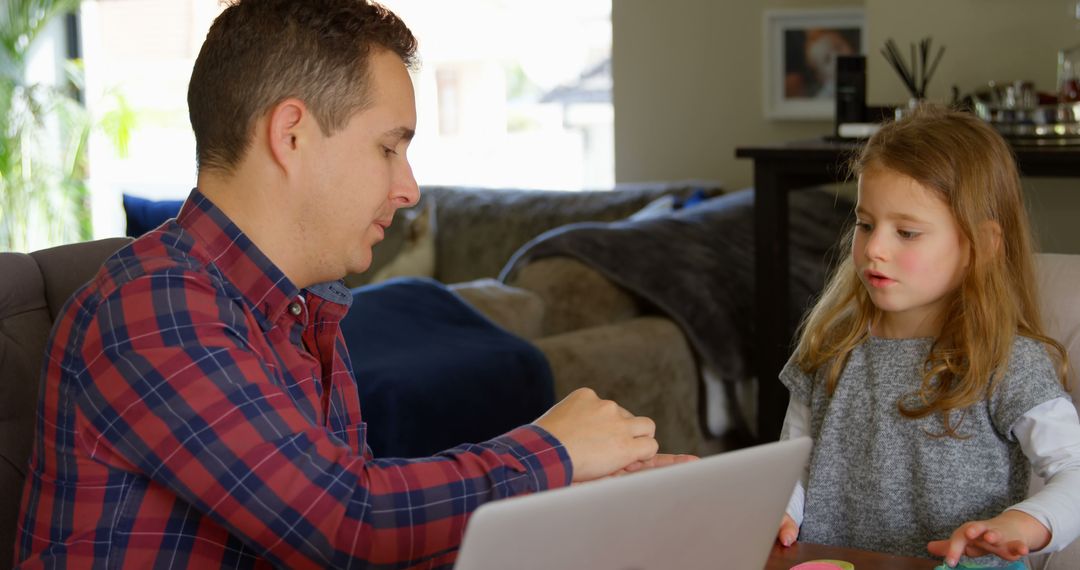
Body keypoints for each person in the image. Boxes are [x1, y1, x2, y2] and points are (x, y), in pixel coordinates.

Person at [14, 1, 692, 567]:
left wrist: (599, 503)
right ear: (293, 135)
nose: (409, 188)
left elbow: (367, 538)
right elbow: (346, 523)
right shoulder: (154, 305)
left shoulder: (299, 314)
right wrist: (552, 452)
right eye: (388, 147)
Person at [773, 105, 1080, 568]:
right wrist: (780, 511)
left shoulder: (1007, 360)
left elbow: (1075, 472)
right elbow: (793, 466)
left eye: (908, 232)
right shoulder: (830, 348)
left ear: (982, 246)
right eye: (865, 224)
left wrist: (1023, 523)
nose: (875, 248)